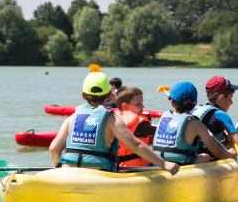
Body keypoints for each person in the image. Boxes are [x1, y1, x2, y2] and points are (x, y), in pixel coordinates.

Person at [49, 72, 179, 175]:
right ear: (110, 95)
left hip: (68, 172)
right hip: (98, 174)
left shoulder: (72, 117)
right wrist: (164, 164)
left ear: (83, 95)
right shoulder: (112, 119)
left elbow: (54, 149)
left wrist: (58, 166)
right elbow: (136, 145)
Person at [153, 81, 237, 164]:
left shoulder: (164, 116)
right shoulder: (195, 124)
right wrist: (230, 154)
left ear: (171, 102)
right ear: (194, 104)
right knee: (206, 156)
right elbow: (216, 151)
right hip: (181, 162)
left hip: (159, 161)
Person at [114, 86, 155, 168]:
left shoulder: (113, 120)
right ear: (125, 107)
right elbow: (161, 133)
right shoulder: (141, 125)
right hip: (138, 167)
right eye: (138, 104)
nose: (142, 106)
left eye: (142, 103)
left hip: (118, 165)